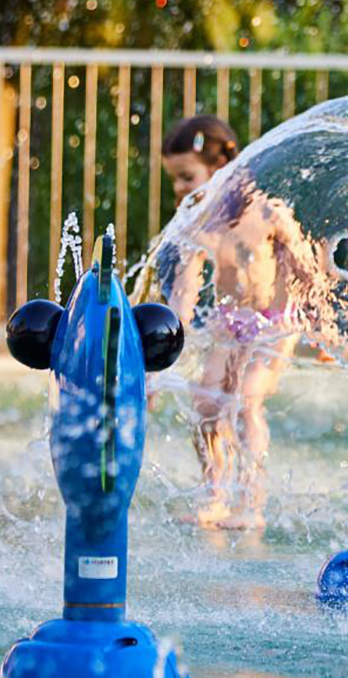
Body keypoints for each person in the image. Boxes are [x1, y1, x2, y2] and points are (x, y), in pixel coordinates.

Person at [135, 115, 333, 529]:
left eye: (186, 176)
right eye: (175, 179)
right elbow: (183, 300)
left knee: (246, 399)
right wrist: (158, 363)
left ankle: (251, 504)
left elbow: (306, 270)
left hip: (277, 321)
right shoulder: (195, 225)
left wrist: (324, 326)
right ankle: (215, 496)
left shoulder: (268, 213)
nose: (179, 188)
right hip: (232, 321)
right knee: (206, 402)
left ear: (222, 166)